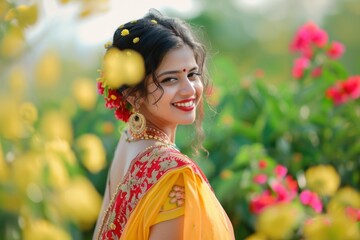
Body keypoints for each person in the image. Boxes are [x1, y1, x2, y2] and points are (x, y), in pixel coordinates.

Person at [93, 9, 235, 240]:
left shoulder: (129, 138)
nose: (189, 90)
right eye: (170, 79)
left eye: (192, 74)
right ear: (132, 94)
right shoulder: (172, 172)